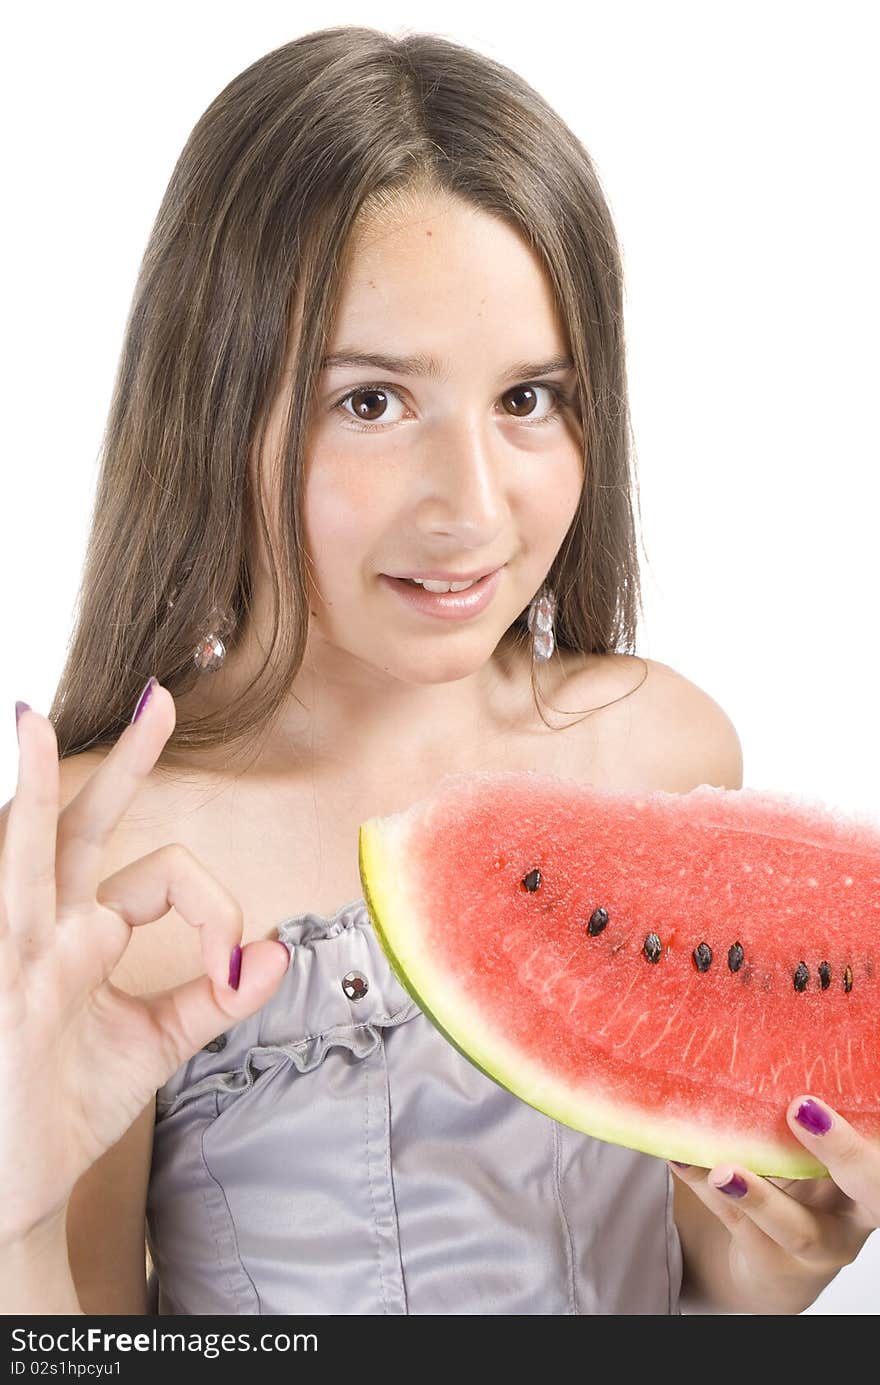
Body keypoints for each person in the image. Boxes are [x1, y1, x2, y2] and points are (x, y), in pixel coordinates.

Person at [1, 24, 877, 1318]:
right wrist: (11, 1218)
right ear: (216, 402)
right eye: (372, 400)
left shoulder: (668, 754)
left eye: (529, 398)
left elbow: (691, 1286)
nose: (470, 506)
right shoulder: (107, 862)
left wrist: (765, 1278)